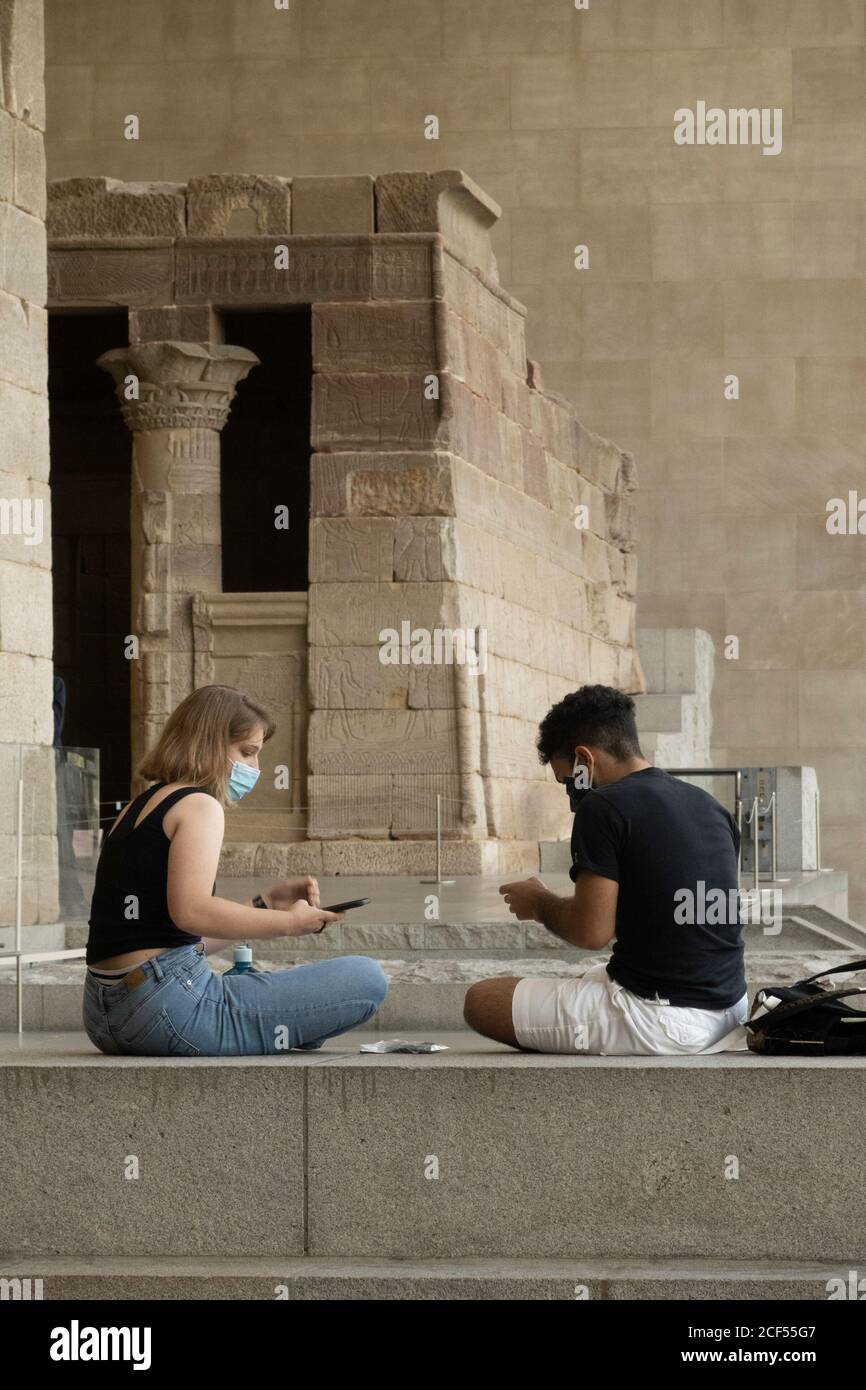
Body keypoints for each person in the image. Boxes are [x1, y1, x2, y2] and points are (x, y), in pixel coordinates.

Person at [83, 684, 388, 1056]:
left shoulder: (137, 807)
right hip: (169, 1010)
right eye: (247, 753)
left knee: (296, 1004)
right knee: (365, 978)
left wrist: (266, 903)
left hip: (104, 1018)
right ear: (209, 743)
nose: (256, 769)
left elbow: (172, 936)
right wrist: (292, 924)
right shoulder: (199, 805)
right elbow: (192, 911)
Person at [464, 685, 748, 1055]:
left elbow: (591, 932)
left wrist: (539, 903)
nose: (571, 793)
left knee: (482, 1000)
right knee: (589, 978)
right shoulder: (709, 805)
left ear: (584, 759)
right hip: (730, 1008)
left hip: (662, 1019)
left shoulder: (602, 806)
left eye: (567, 780)